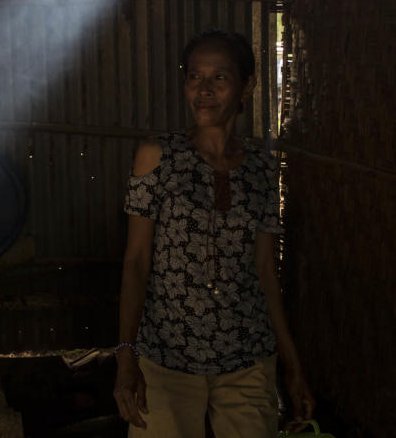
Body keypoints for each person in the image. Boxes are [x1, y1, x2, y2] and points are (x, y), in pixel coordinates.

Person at [113, 29, 314, 438]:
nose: (202, 90)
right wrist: (126, 357)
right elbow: (136, 261)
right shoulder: (158, 157)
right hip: (167, 361)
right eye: (194, 77)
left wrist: (291, 367)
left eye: (219, 78)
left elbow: (265, 272)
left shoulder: (261, 168)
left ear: (247, 86)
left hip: (247, 359)